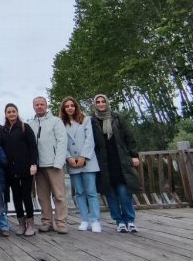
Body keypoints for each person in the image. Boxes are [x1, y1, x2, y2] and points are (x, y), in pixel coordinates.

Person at [92, 94, 141, 233]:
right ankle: (119, 221)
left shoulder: (117, 118)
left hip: (120, 160)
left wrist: (134, 155)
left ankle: (130, 220)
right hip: (104, 163)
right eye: (98, 102)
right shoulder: (92, 121)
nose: (101, 104)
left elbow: (129, 137)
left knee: (124, 193)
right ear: (95, 105)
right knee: (111, 194)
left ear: (107, 103)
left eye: (103, 101)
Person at [60, 97, 101, 233]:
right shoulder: (61, 123)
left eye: (72, 105)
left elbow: (90, 140)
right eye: (67, 106)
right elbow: (61, 142)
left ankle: (95, 220)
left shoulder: (86, 120)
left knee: (91, 192)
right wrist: (68, 157)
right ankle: (84, 219)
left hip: (87, 161)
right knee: (79, 192)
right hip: (72, 163)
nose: (70, 108)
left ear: (76, 107)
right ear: (64, 109)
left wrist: (83, 156)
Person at [0, 103, 38, 236]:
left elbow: (33, 146)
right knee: (16, 197)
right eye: (8, 112)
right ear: (5, 114)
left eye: (13, 111)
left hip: (25, 167)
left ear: (17, 112)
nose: (11, 114)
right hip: (10, 169)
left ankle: (31, 224)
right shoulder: (2, 130)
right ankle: (21, 223)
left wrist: (33, 164)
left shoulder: (24, 127)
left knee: (26, 196)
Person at [32, 96, 69, 234]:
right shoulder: (31, 123)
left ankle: (61, 222)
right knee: (42, 196)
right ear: (34, 107)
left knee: (59, 195)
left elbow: (62, 142)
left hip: (54, 164)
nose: (39, 106)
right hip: (39, 165)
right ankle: (46, 221)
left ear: (46, 106)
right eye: (37, 104)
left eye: (42, 104)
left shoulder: (56, 121)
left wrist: (58, 162)